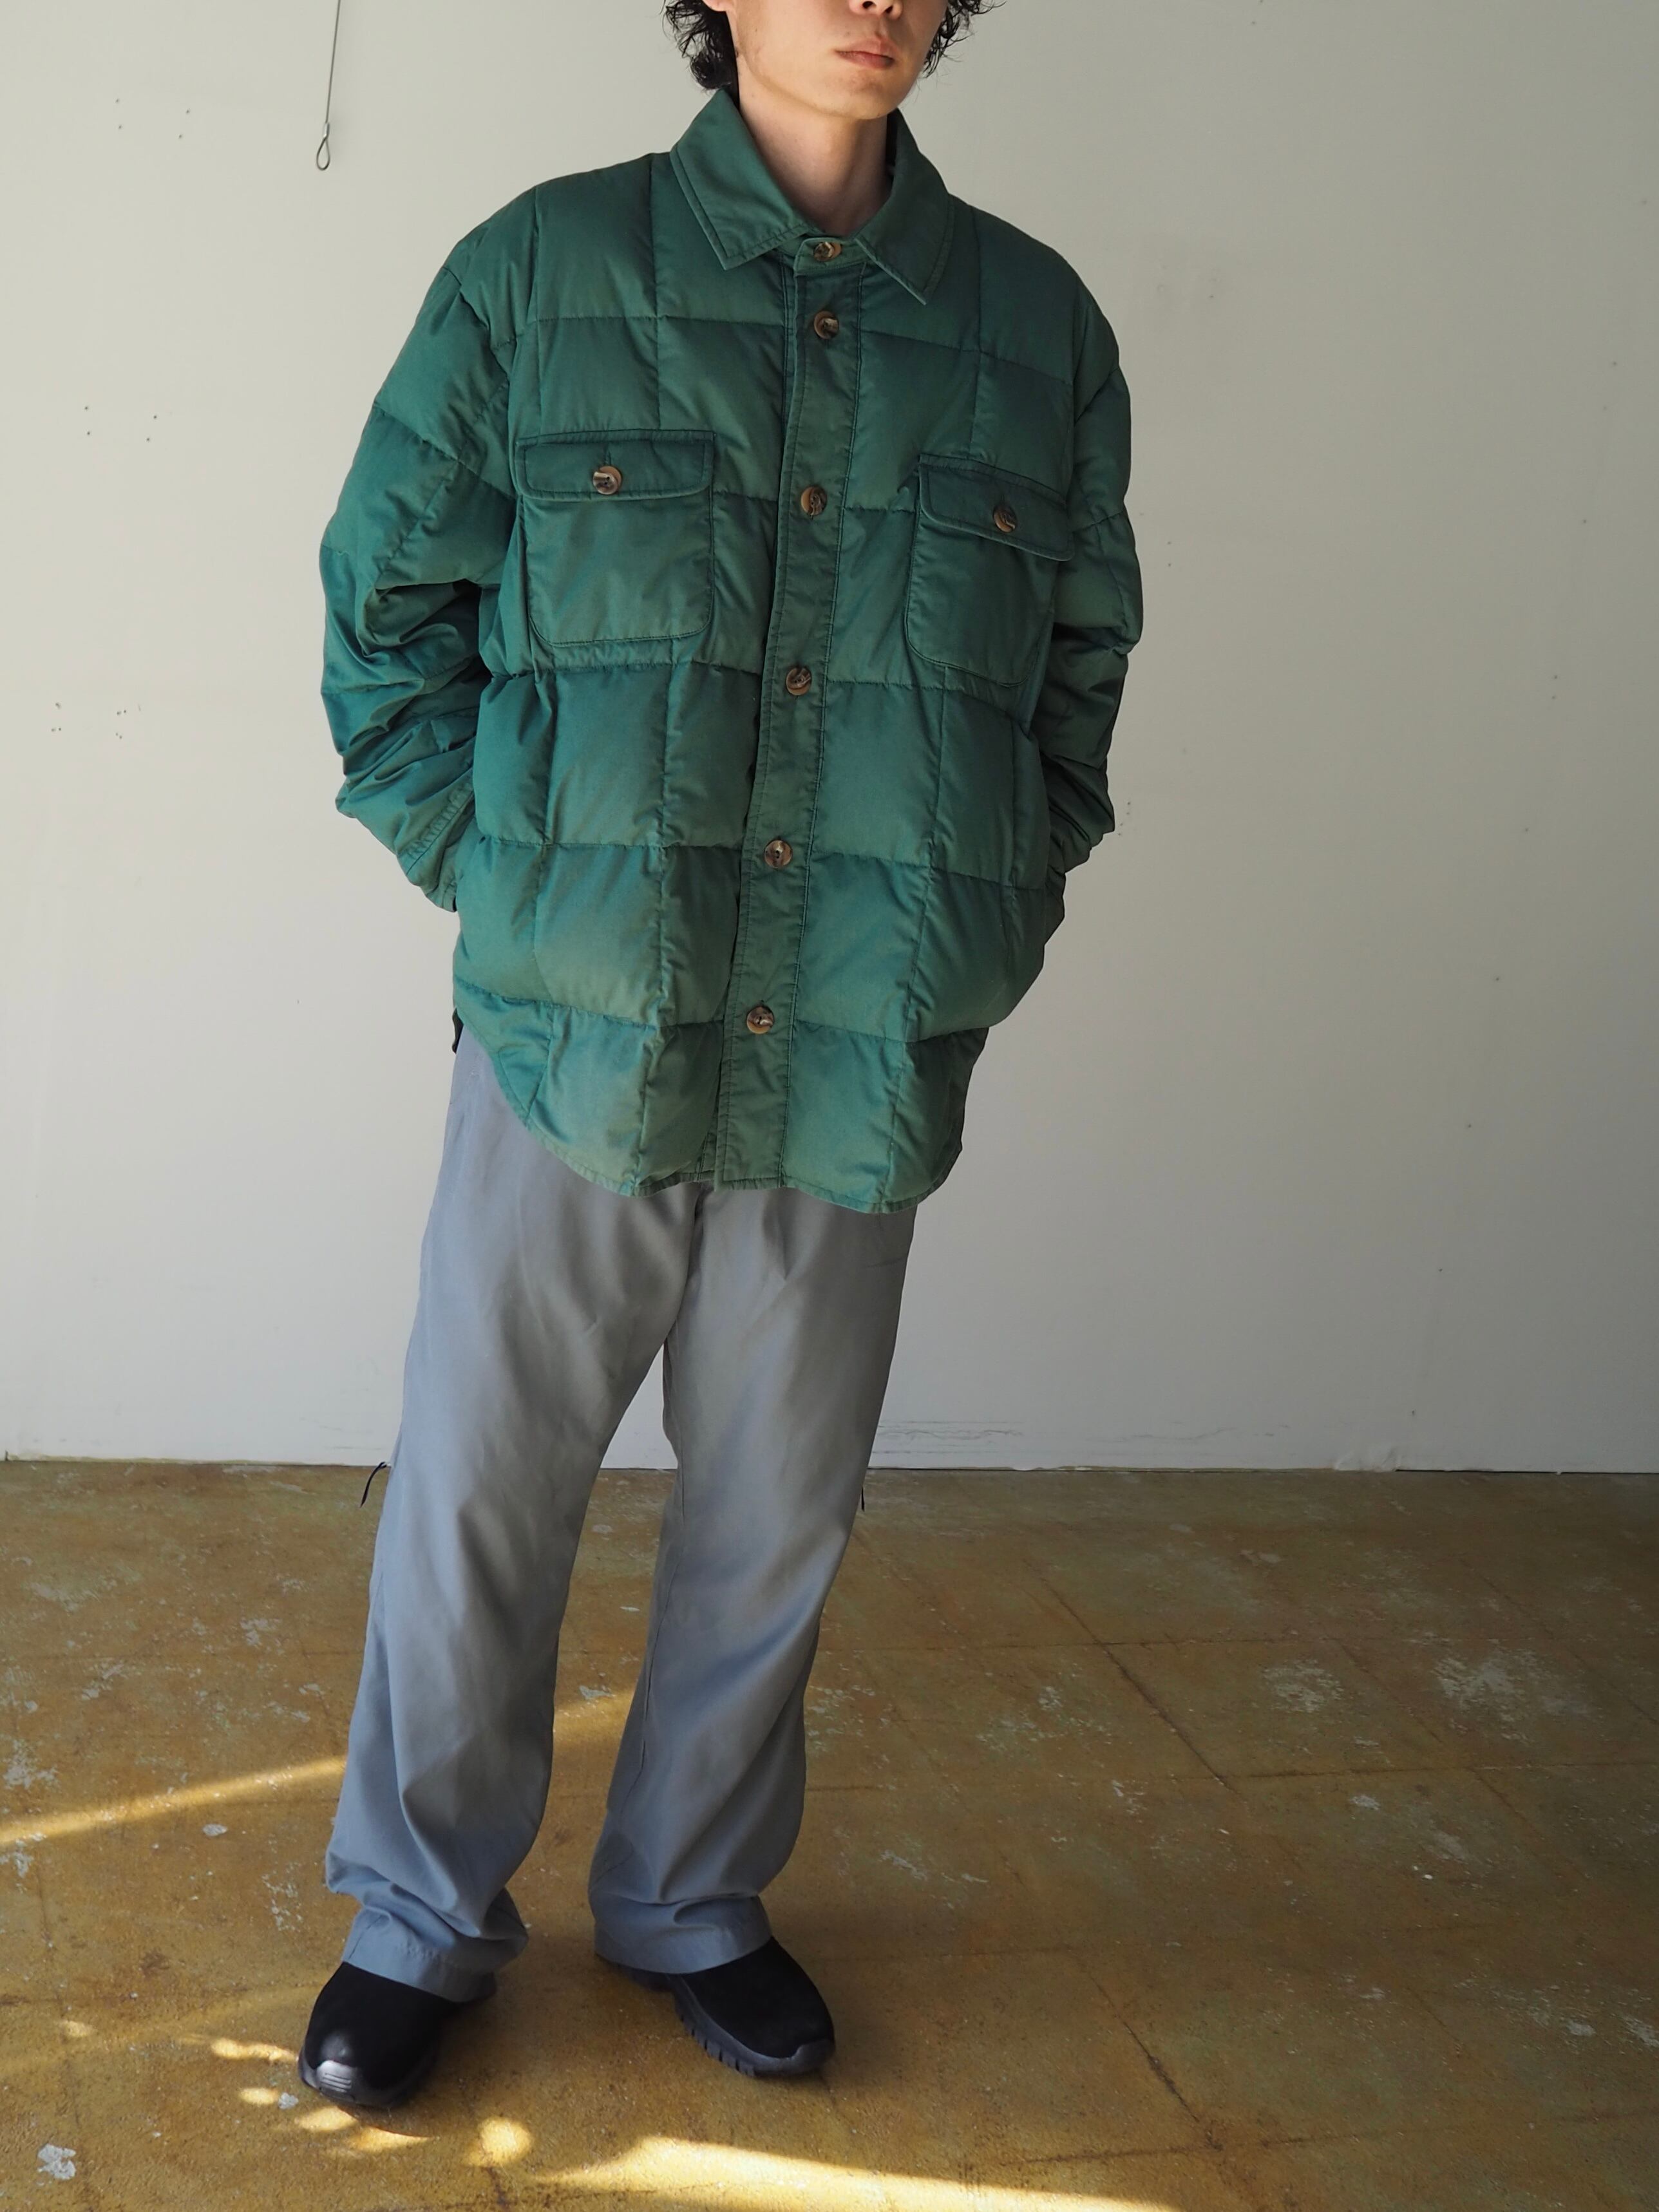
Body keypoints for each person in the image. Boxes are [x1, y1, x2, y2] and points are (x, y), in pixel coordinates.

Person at [300, 0, 1142, 2111]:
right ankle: (417, 1913)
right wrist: (517, 890)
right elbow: (384, 624)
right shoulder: (542, 273)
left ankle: (691, 1894)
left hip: (856, 1041)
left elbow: (1076, 674)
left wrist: (978, 913)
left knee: (778, 1517)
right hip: (574, 1040)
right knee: (478, 1494)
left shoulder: (1034, 331)